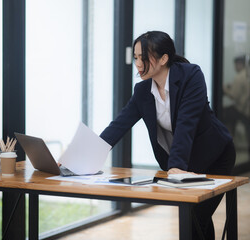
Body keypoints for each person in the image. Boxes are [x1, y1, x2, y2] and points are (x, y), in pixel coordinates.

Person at [100, 31, 236, 240]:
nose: (138, 63)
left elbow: (186, 124)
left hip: (215, 156)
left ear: (164, 59)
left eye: (144, 57)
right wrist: (84, 157)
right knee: (196, 218)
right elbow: (118, 125)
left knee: (196, 217)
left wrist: (176, 167)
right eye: (136, 57)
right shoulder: (143, 90)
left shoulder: (191, 75)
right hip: (185, 164)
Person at [223, 55, 250, 138]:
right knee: (230, 113)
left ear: (240, 64)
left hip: (241, 110)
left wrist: (224, 89)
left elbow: (233, 96)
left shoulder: (239, 77)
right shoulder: (247, 74)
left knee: (223, 113)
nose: (235, 67)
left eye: (235, 65)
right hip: (247, 109)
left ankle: (228, 137)